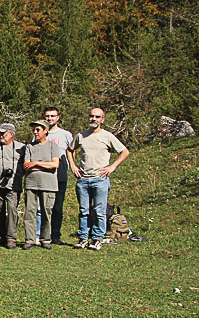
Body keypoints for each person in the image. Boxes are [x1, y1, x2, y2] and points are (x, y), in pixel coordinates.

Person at [67, 108, 130, 251]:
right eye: (91, 116)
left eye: (97, 117)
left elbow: (124, 152)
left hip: (100, 179)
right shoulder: (81, 136)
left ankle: (97, 239)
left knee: (99, 211)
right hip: (83, 179)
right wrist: (73, 166)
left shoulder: (107, 136)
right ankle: (83, 237)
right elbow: (70, 150)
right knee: (84, 210)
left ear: (102, 119)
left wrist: (112, 167)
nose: (94, 119)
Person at [36, 107, 75, 245]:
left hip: (60, 175)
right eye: (47, 116)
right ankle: (40, 235)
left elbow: (71, 152)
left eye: (52, 116)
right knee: (41, 207)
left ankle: (55, 235)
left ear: (58, 117)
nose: (50, 118)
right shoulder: (39, 132)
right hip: (43, 175)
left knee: (57, 207)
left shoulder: (66, 135)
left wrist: (70, 167)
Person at [22, 120, 60, 250]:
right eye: (34, 129)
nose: (35, 132)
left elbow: (54, 165)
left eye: (38, 129)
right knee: (29, 212)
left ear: (46, 131)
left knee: (46, 212)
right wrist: (44, 166)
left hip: (48, 184)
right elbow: (27, 166)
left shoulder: (53, 146)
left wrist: (36, 163)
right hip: (31, 184)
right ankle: (30, 239)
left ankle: (45, 239)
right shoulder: (29, 147)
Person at [0, 124, 25, 249]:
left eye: (3, 133)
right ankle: (3, 236)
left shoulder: (21, 148)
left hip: (13, 184)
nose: (0, 135)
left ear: (11, 134)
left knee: (12, 210)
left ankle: (11, 238)